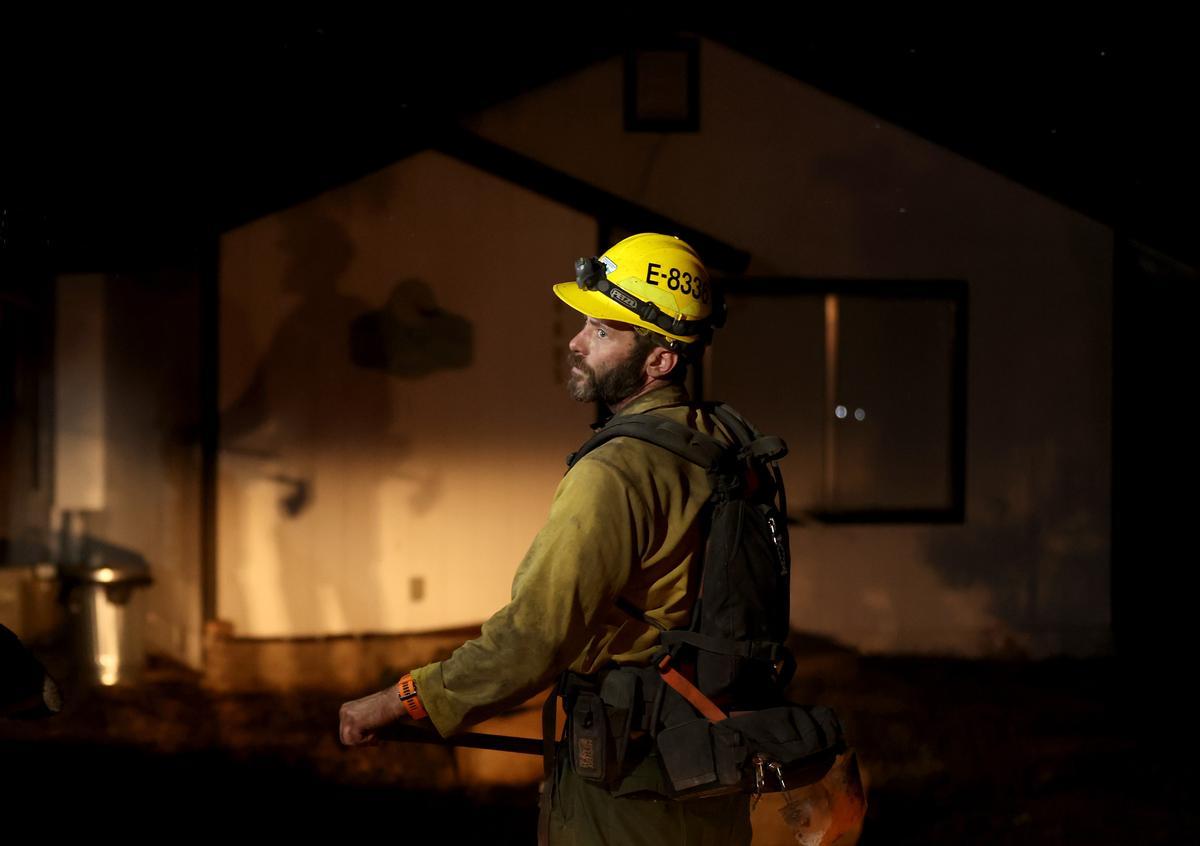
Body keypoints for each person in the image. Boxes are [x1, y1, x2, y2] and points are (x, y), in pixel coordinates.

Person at [339, 233, 752, 844]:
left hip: (629, 787)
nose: (576, 342)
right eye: (583, 324)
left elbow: (531, 639)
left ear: (660, 360)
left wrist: (399, 701)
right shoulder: (728, 447)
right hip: (715, 762)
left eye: (603, 332)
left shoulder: (614, 475)